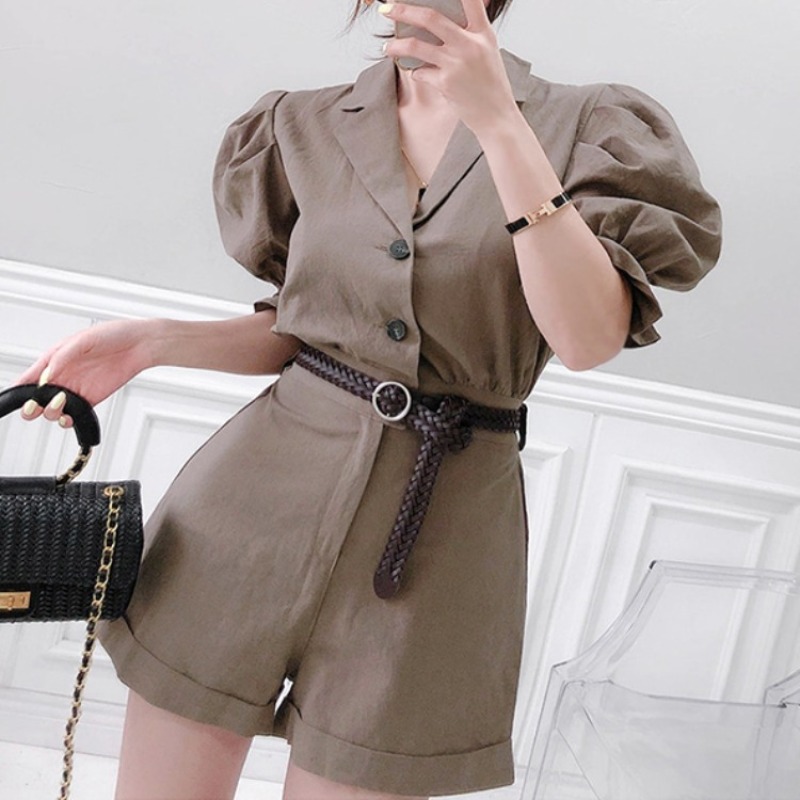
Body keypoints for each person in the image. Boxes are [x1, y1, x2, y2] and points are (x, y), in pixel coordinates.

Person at [12, 0, 722, 797]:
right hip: (249, 511)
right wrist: (149, 343)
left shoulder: (591, 128)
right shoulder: (301, 126)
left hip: (439, 544)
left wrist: (501, 126)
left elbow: (587, 339)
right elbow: (310, 333)